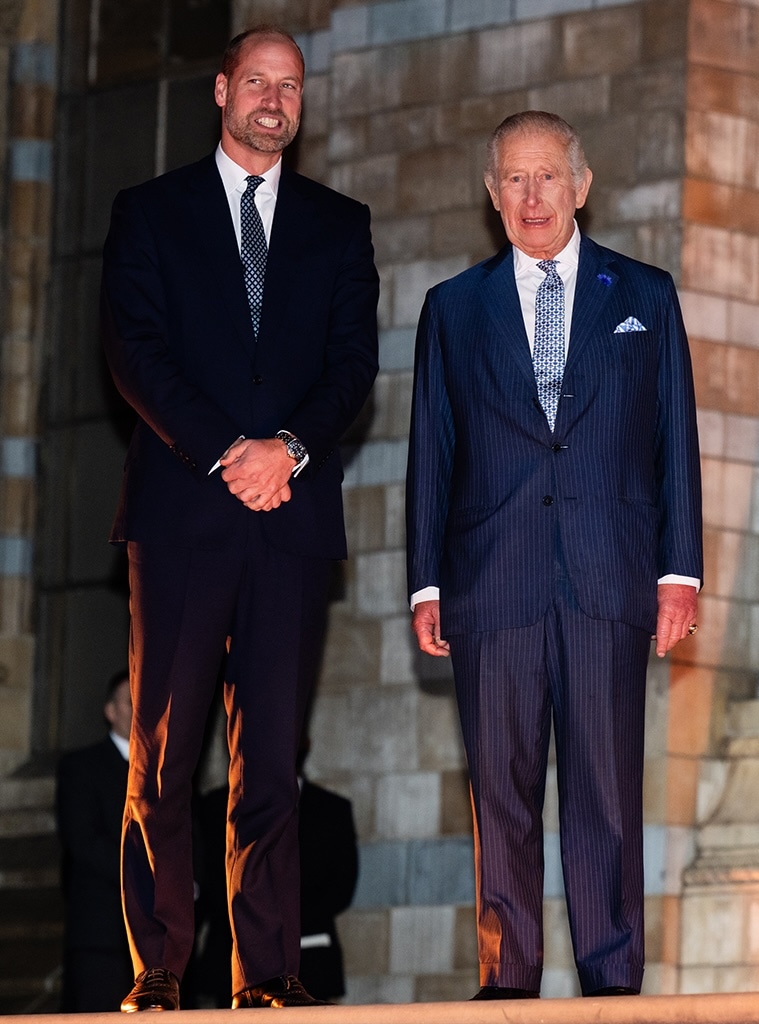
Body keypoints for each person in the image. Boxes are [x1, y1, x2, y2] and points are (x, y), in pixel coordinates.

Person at [100, 24, 379, 1012]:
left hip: (291, 522)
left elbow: (352, 366)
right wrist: (229, 450)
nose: (274, 99)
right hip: (182, 512)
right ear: (221, 90)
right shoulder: (151, 212)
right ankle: (162, 966)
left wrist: (287, 450)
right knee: (166, 757)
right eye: (256, 81)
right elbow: (135, 353)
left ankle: (266, 972)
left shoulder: (341, 227)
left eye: (290, 85)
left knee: (271, 761)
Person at [406, 110, 702, 1001]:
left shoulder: (643, 298)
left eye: (547, 177)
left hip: (607, 576)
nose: (532, 197)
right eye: (513, 180)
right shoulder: (452, 309)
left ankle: (612, 979)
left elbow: (672, 441)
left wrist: (677, 570)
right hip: (491, 582)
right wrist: (426, 581)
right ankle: (508, 980)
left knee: (607, 792)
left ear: (580, 186)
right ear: (491, 196)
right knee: (497, 793)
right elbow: (433, 451)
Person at [192, 738, 359, 1006]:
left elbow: (341, 886)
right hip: (230, 955)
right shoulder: (213, 806)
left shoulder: (331, 809)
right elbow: (206, 878)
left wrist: (281, 922)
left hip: (310, 955)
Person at [56, 670, 133, 1012]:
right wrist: (145, 877)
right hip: (103, 934)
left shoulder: (169, 770)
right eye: (130, 703)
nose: (139, 710)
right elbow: (84, 841)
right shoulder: (82, 767)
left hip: (162, 941)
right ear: (110, 711)